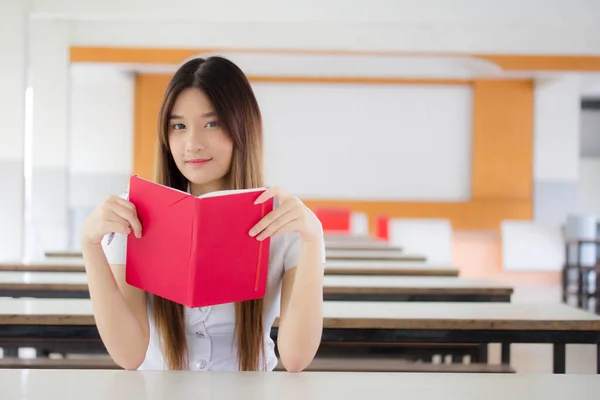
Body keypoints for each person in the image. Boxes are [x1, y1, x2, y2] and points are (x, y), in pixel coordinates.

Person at [80, 56, 326, 372]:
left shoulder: (286, 220)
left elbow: (295, 358)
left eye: (212, 123)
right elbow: (129, 355)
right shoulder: (133, 214)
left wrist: (312, 240)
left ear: (242, 127)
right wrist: (90, 245)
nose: (192, 144)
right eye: (178, 126)